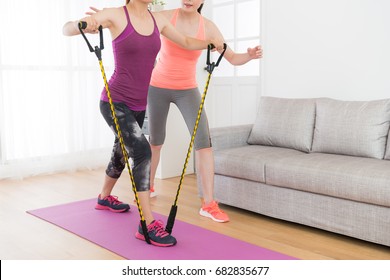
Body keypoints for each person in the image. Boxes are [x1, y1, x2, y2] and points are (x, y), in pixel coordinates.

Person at [63, 0, 223, 247]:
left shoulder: (157, 20)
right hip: (114, 101)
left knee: (121, 151)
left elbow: (188, 42)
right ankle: (147, 224)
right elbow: (67, 28)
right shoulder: (116, 15)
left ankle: (104, 197)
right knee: (142, 151)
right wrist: (82, 25)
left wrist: (210, 44)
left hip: (139, 104)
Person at [147, 0, 263, 223]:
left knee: (204, 143)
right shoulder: (163, 16)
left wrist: (248, 55)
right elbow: (140, 35)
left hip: (187, 90)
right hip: (157, 87)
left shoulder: (208, 28)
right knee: (156, 141)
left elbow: (233, 57)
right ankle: (148, 186)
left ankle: (208, 204)